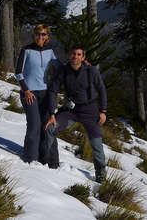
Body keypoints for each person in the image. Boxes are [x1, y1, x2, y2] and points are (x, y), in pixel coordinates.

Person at [44, 44, 108, 182]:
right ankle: (47, 162)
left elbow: (102, 89)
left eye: (79, 54)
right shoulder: (64, 71)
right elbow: (53, 90)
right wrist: (52, 113)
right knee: (50, 128)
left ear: (83, 57)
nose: (76, 57)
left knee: (96, 145)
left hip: (91, 111)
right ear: (69, 55)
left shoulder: (91, 71)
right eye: (73, 54)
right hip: (71, 111)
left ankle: (101, 175)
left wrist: (103, 111)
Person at [15, 24, 60, 167]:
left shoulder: (50, 51)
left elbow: (60, 68)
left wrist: (81, 64)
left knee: (48, 126)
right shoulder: (26, 50)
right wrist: (26, 90)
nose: (41, 37)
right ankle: (30, 158)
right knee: (34, 125)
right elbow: (18, 72)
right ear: (34, 35)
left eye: (44, 34)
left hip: (46, 93)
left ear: (47, 36)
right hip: (29, 93)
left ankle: (50, 161)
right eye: (38, 34)